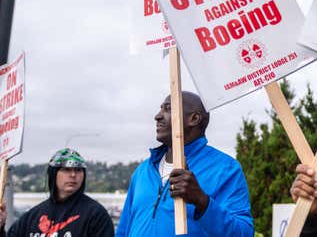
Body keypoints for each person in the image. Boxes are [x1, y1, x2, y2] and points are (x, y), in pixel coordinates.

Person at [116, 91, 253, 236]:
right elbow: (124, 229)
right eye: (161, 108)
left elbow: (243, 232)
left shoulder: (226, 169)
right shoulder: (143, 170)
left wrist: (202, 202)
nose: (158, 116)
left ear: (194, 118)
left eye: (168, 109)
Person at [0, 148, 114, 236]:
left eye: (78, 170)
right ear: (53, 173)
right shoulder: (31, 217)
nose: (73, 175)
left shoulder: (96, 215)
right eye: (66, 170)